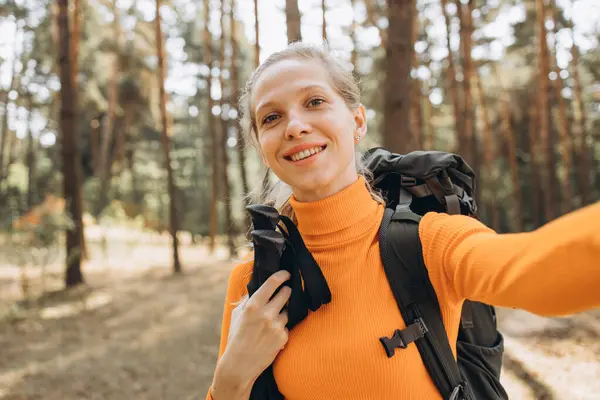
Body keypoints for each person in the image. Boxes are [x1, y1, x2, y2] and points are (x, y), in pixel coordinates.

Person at [206, 42, 600, 400]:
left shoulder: (433, 243)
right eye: (272, 117)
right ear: (262, 147)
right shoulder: (254, 283)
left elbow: (539, 267)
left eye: (314, 102)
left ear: (357, 122)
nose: (294, 126)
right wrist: (231, 377)